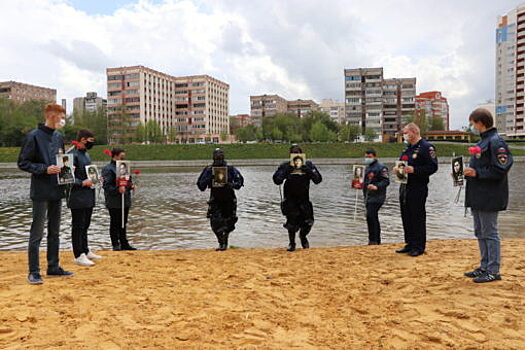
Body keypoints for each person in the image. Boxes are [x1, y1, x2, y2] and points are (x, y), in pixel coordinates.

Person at [17, 103, 74, 284]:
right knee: (37, 233)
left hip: (57, 190)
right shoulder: (33, 137)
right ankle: (34, 272)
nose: (63, 120)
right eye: (61, 117)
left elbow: (61, 159)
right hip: (41, 191)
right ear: (51, 116)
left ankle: (53, 267)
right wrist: (44, 169)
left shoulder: (58, 137)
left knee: (55, 232)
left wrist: (68, 170)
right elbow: (23, 163)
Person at [463, 108, 513, 283]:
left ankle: (493, 270)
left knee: (490, 232)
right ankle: (484, 266)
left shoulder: (496, 142)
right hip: (477, 195)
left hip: (490, 195)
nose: (471, 127)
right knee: (480, 231)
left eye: (472, 124)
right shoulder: (483, 141)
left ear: (480, 123)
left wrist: (477, 173)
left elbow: (501, 168)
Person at [394, 123, 438, 257]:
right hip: (404, 185)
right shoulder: (407, 148)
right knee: (406, 215)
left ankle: (419, 246)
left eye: (406, 132)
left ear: (413, 132)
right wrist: (398, 170)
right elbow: (403, 163)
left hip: (418, 186)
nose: (404, 135)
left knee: (417, 216)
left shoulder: (426, 147)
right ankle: (410, 243)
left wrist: (415, 170)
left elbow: (433, 167)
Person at [273, 144, 322, 251]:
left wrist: (308, 170)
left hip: (304, 199)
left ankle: (303, 236)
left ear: (301, 154)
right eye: (294, 153)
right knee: (291, 223)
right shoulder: (285, 166)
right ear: (290, 155)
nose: (296, 155)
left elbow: (318, 180)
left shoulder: (308, 165)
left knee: (308, 222)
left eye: (298, 152)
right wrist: (287, 171)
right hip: (290, 198)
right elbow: (277, 180)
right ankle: (292, 243)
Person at [197, 149, 244, 251]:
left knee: (229, 222)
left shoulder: (230, 169)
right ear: (213, 157)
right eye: (217, 157)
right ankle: (221, 243)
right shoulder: (209, 170)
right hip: (215, 199)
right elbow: (201, 186)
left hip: (229, 199)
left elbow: (239, 183)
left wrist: (230, 184)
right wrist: (209, 178)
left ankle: (224, 241)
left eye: (220, 156)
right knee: (215, 223)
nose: (219, 159)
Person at [67, 129, 102, 266]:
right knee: (78, 225)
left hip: (88, 194)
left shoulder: (86, 155)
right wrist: (81, 182)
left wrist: (97, 179)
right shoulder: (71, 155)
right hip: (76, 196)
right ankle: (78, 255)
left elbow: (90, 174)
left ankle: (86, 250)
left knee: (86, 224)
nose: (92, 143)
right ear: (82, 139)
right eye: (90, 140)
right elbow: (65, 177)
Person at [101, 148, 137, 251]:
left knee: (123, 222)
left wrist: (131, 186)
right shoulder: (108, 169)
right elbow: (106, 186)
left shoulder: (124, 167)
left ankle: (124, 243)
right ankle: (115, 244)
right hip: (114, 201)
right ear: (115, 156)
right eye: (121, 156)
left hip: (125, 199)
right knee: (115, 222)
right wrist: (117, 190)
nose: (123, 158)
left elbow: (127, 182)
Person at [363, 149, 390, 245]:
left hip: (377, 196)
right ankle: (375, 239)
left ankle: (373, 240)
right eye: (366, 157)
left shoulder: (381, 167)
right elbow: (366, 182)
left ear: (374, 156)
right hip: (368, 196)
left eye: (369, 157)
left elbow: (386, 181)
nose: (367, 159)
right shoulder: (367, 167)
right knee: (371, 217)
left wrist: (376, 186)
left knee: (371, 215)